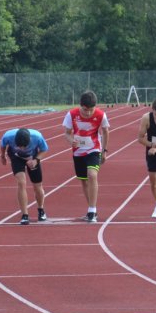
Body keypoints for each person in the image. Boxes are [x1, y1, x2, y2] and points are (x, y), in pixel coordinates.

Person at [63, 90, 110, 223]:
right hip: (78, 151)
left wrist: (104, 150)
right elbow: (67, 133)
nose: (88, 113)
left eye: (91, 110)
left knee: (92, 175)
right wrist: (71, 140)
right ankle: (91, 209)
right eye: (85, 110)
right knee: (84, 181)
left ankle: (92, 210)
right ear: (80, 105)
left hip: (93, 149)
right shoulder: (72, 114)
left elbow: (105, 131)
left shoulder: (101, 115)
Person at [0, 127, 49, 225]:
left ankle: (41, 209)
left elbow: (44, 150)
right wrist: (2, 156)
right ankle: (25, 215)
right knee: (21, 183)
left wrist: (36, 160)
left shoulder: (37, 136)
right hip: (16, 157)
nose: (22, 148)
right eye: (19, 146)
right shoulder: (8, 136)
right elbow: (3, 145)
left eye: (24, 146)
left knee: (37, 185)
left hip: (33, 157)